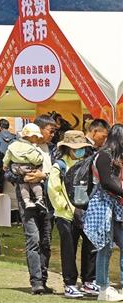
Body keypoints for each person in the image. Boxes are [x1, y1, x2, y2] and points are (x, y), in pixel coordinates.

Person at [47, 130, 99, 298]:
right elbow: (53, 191)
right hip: (66, 215)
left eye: (82, 147)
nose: (79, 151)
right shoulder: (59, 165)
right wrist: (66, 207)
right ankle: (69, 283)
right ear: (67, 148)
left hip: (86, 213)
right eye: (76, 148)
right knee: (69, 249)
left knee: (91, 247)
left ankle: (89, 281)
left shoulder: (87, 163)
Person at [5, 123, 54, 295]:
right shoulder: (18, 147)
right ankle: (36, 282)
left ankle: (43, 279)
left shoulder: (54, 150)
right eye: (50, 131)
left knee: (46, 241)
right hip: (26, 200)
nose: (52, 134)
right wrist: (22, 175)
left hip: (48, 200)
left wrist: (43, 176)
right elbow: (7, 172)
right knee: (33, 238)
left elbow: (61, 174)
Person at [85, 124, 123, 302]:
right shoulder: (103, 156)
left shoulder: (113, 157)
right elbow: (106, 182)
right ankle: (103, 288)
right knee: (105, 248)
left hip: (115, 206)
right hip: (102, 205)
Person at [4, 123, 47, 210]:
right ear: (31, 136)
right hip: (28, 168)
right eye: (36, 137)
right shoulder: (29, 148)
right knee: (34, 183)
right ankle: (39, 198)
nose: (38, 138)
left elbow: (7, 156)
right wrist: (40, 159)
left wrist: (5, 164)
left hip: (16, 168)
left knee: (23, 185)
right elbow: (36, 160)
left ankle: (27, 201)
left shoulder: (13, 145)